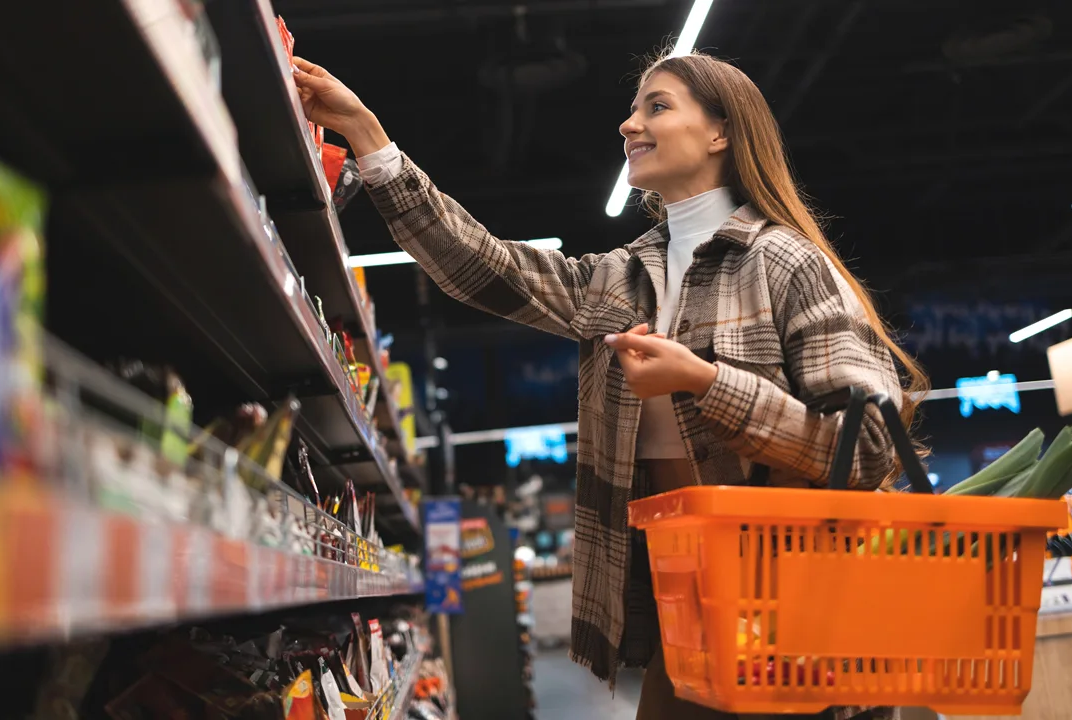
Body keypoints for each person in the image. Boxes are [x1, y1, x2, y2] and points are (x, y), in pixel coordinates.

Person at [292, 51, 926, 720]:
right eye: (633, 108)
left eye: (657, 106)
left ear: (721, 133)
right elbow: (483, 264)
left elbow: (870, 448)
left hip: (796, 624)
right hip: (682, 625)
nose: (629, 124)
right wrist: (369, 138)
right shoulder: (621, 278)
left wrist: (706, 382)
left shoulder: (787, 263)